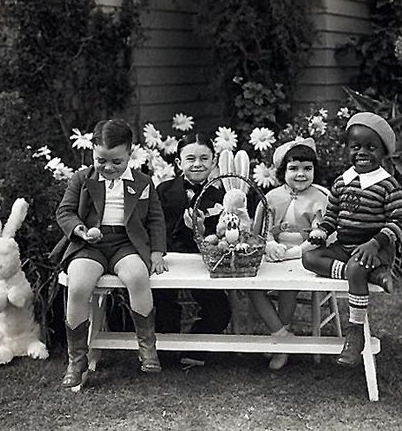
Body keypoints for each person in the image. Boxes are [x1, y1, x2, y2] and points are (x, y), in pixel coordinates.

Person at [54, 119, 168, 389]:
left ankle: (147, 346)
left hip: (126, 244)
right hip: (89, 245)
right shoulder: (82, 179)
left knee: (138, 277)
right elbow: (65, 211)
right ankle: (77, 359)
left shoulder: (142, 182)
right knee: (78, 285)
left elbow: (155, 219)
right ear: (92, 152)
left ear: (130, 153)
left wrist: (156, 253)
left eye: (117, 161)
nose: (108, 167)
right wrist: (81, 230)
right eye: (101, 160)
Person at [302, 112, 402, 367]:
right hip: (345, 247)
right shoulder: (342, 182)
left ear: (383, 152)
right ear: (347, 149)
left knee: (355, 266)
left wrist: (375, 243)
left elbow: (399, 222)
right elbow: (332, 216)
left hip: (375, 248)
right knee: (309, 258)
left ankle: (355, 331)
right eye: (355, 146)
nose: (362, 152)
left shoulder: (387, 185)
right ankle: (369, 275)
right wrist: (322, 231)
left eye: (371, 147)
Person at [250, 137, 328, 370]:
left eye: (307, 168)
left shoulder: (319, 198)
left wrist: (294, 252)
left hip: (304, 255)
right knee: (252, 286)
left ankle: (280, 343)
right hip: (273, 253)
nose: (300, 174)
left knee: (288, 286)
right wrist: (270, 245)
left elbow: (319, 236)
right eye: (293, 168)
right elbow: (262, 230)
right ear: (283, 171)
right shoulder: (272, 197)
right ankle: (282, 335)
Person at [154, 133, 231, 368]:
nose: (197, 164)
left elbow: (223, 235)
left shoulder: (222, 195)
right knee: (163, 302)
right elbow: (156, 227)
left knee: (219, 308)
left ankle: (194, 346)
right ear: (179, 163)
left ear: (213, 162)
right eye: (190, 159)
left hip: (203, 261)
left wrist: (201, 230)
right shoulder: (164, 190)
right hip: (171, 259)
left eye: (204, 158)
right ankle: (166, 349)